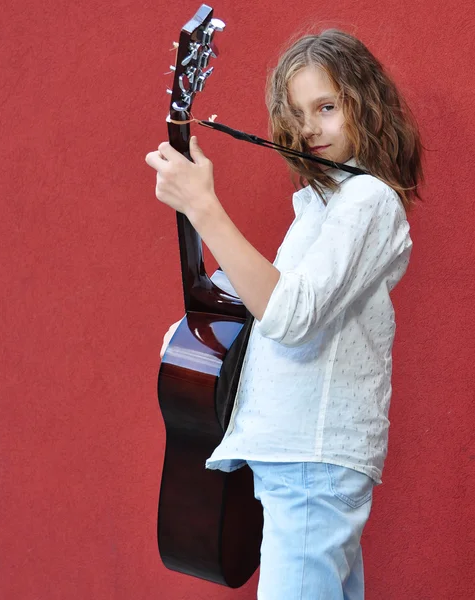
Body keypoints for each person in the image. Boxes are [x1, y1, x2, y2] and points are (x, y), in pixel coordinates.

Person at [146, 28, 423, 600]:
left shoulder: (368, 201)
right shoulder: (327, 208)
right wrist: (200, 330)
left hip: (311, 462)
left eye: (326, 107)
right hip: (299, 461)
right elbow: (272, 306)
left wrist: (203, 206)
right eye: (298, 113)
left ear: (366, 105)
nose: (309, 127)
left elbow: (291, 315)